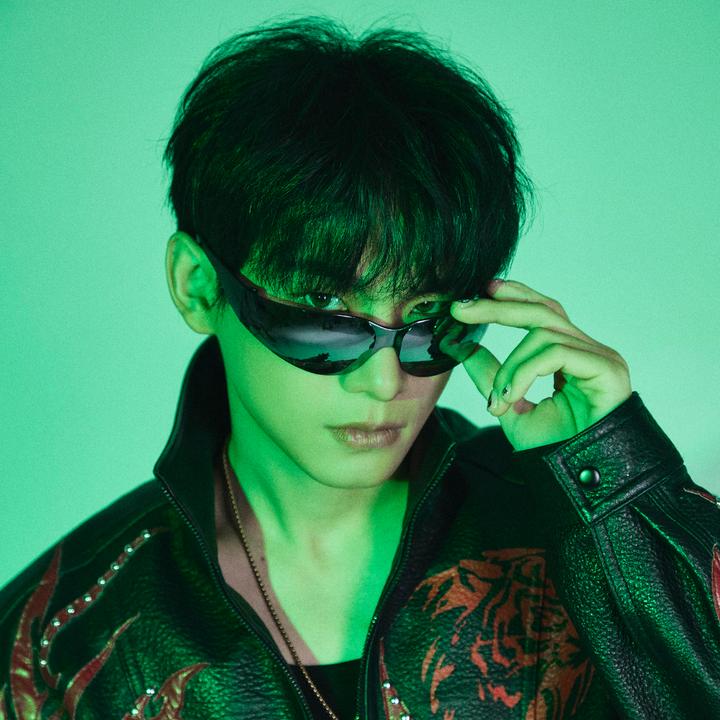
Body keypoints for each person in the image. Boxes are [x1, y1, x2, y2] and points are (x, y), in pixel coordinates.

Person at [1, 15, 718, 720]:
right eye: (324, 313)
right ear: (199, 286)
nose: (383, 383)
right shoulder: (63, 642)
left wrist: (622, 492)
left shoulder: (569, 530)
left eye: (429, 316)